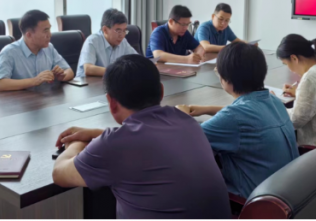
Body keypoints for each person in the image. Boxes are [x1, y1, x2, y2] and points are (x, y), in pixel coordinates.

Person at [51, 55, 231, 219]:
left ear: (111, 102)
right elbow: (149, 139)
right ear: (161, 92)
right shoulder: (186, 121)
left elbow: (59, 173)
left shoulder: (115, 146)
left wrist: (76, 142)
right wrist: (100, 134)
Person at [176, 42, 299, 199]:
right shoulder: (274, 101)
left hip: (254, 201)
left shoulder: (233, 118)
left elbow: (185, 140)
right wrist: (207, 109)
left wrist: (181, 116)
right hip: (288, 192)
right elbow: (246, 116)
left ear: (226, 79)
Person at [0, 10, 74, 92]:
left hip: (45, 97)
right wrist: (35, 81)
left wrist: (61, 77)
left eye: (49, 29)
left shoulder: (49, 48)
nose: (49, 34)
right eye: (45, 31)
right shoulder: (9, 52)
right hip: (21, 99)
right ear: (29, 35)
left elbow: (69, 71)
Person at [76, 9, 137, 78]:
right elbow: (88, 69)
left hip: (108, 82)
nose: (122, 35)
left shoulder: (123, 42)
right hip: (88, 83)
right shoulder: (92, 41)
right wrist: (118, 72)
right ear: (105, 30)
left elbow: (137, 61)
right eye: (118, 31)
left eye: (124, 31)